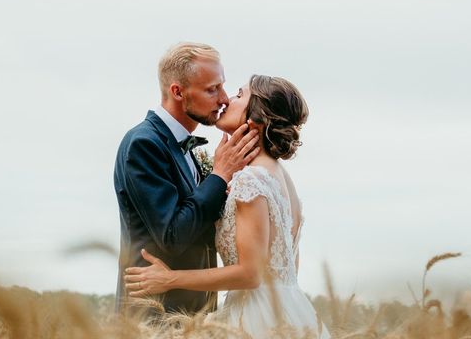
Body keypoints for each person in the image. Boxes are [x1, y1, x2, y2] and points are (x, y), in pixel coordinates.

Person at [124, 74, 330, 338]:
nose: (227, 100)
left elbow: (251, 274)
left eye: (239, 95)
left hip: (256, 318)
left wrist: (170, 279)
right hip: (291, 311)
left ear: (256, 118)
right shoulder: (281, 177)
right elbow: (287, 266)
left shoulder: (251, 180)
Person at [114, 42, 260, 315]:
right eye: (211, 89)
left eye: (222, 86)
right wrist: (219, 175)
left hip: (196, 317)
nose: (224, 99)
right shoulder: (144, 144)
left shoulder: (183, 147)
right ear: (178, 91)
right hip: (156, 316)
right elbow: (172, 235)